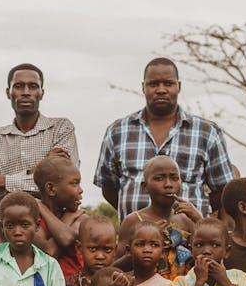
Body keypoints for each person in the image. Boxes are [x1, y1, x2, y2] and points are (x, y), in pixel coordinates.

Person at [94, 57, 235, 219]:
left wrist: (197, 211)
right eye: (153, 84)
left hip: (190, 239)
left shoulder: (207, 132)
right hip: (136, 239)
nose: (161, 90)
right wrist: (138, 214)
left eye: (168, 83)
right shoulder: (117, 131)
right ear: (143, 87)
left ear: (179, 86)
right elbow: (109, 187)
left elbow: (224, 190)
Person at [0, 64, 79, 221]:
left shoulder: (61, 129)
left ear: (41, 93)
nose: (26, 92)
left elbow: (64, 188)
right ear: (9, 93)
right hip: (0, 234)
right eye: (19, 86)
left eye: (33, 86)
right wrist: (38, 173)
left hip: (52, 232)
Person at [117, 155, 199, 279]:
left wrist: (199, 219)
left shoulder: (187, 220)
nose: (168, 184)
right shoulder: (133, 221)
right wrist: (149, 236)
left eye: (174, 178)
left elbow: (209, 253)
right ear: (145, 187)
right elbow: (116, 268)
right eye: (159, 178)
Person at [31, 155, 86, 275]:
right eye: (74, 184)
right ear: (50, 189)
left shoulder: (81, 218)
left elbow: (67, 239)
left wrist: (40, 206)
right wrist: (42, 208)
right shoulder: (32, 220)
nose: (81, 190)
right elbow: (49, 253)